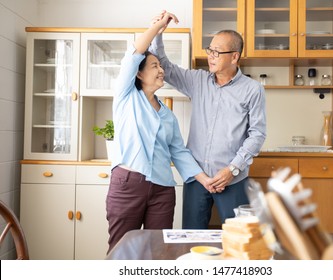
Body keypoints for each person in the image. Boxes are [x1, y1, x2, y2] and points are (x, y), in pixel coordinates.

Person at [106, 14, 213, 253]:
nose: (161, 70)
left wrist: (204, 179)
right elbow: (133, 56)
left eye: (161, 65)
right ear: (139, 74)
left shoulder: (167, 114)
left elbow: (179, 151)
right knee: (122, 250)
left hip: (163, 190)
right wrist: (157, 27)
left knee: (159, 251)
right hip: (128, 185)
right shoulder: (126, 97)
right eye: (155, 66)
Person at [149, 11, 267, 229]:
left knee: (238, 238)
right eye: (210, 50)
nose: (210, 56)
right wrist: (158, 31)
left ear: (234, 57)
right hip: (197, 178)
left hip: (232, 179)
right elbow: (164, 64)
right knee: (192, 239)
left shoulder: (252, 89)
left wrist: (232, 169)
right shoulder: (197, 80)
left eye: (217, 52)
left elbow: (257, 134)